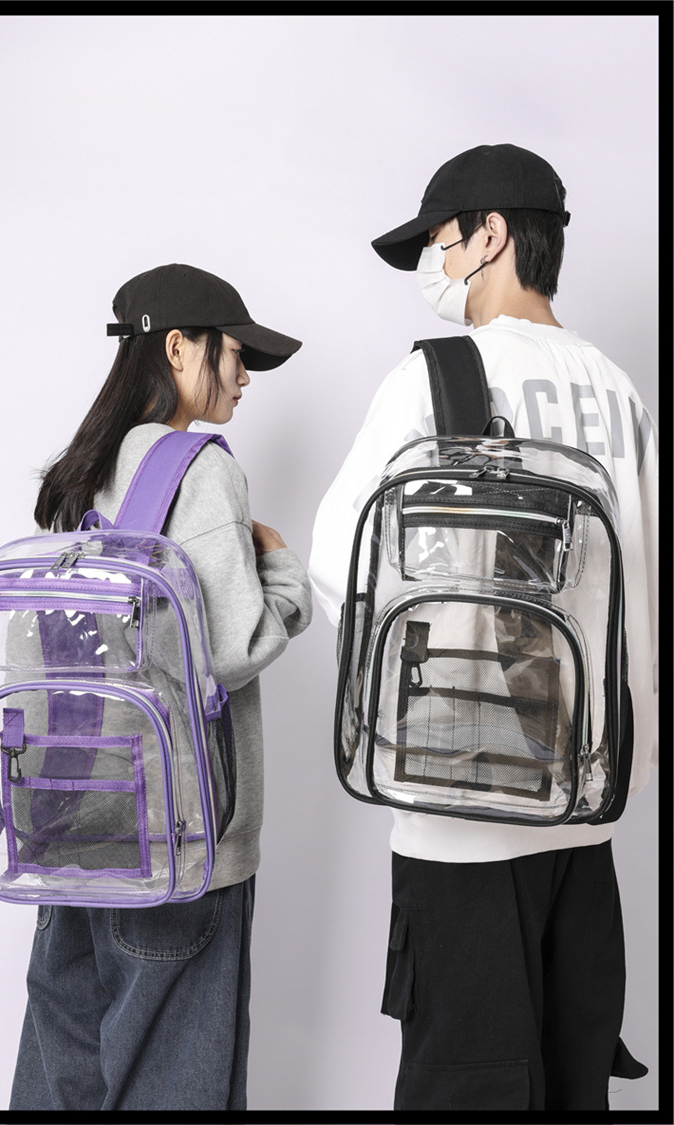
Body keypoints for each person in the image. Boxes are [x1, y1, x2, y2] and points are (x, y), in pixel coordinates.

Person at [309, 144, 657, 1111]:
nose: (434, 264)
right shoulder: (620, 391)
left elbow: (339, 561)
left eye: (440, 241)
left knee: (463, 1086)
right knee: (573, 1081)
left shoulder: (435, 378)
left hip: (459, 811)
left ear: (491, 235)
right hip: (588, 802)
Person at [9, 263, 313, 1112]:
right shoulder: (200, 469)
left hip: (71, 827)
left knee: (61, 1084)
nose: (245, 376)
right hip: (179, 844)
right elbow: (231, 646)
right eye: (235, 353)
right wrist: (281, 567)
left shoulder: (81, 472)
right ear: (178, 347)